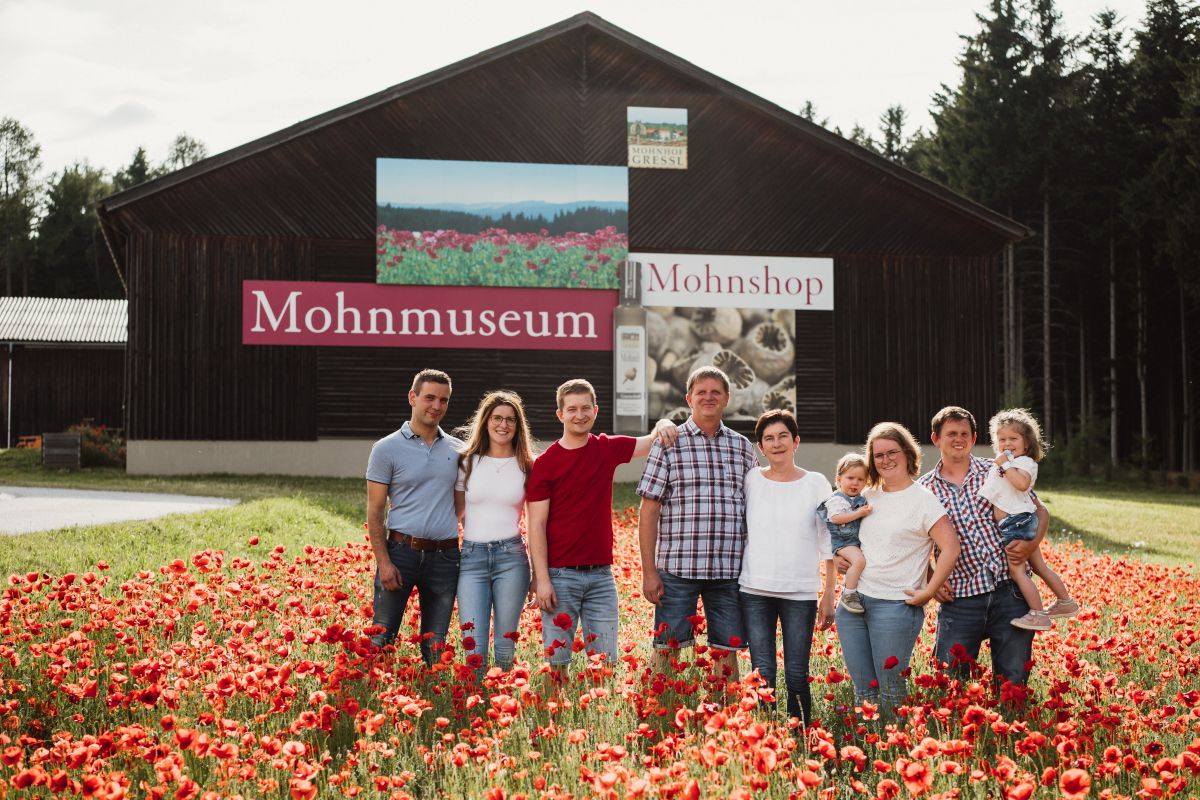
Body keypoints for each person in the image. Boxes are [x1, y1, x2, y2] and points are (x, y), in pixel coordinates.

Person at [527, 379, 676, 675]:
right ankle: (557, 715)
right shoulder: (546, 464)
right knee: (557, 663)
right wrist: (541, 579)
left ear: (595, 411)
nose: (579, 415)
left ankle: (596, 712)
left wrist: (664, 421)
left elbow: (652, 440)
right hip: (560, 575)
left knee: (605, 664)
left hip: (601, 578)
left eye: (585, 408)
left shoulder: (606, 448)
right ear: (560, 414)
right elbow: (536, 525)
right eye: (572, 409)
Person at [637, 366, 759, 680]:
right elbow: (648, 510)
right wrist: (649, 572)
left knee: (726, 649)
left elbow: (756, 507)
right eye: (701, 392)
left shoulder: (742, 448)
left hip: (728, 572)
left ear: (727, 399)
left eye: (715, 392)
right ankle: (659, 710)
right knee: (667, 647)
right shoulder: (668, 443)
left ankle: (728, 717)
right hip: (678, 569)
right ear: (689, 398)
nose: (708, 397)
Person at [917, 405, 1052, 686]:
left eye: (964, 433)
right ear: (936, 439)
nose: (958, 439)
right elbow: (912, 544)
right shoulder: (924, 489)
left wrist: (1032, 544)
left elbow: (1039, 511)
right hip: (960, 597)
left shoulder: (998, 470)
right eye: (951, 433)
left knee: (1013, 681)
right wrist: (931, 579)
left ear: (974, 437)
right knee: (950, 681)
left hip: (1009, 591)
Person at [834, 422, 959, 713]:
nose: (886, 460)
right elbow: (843, 533)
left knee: (891, 690)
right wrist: (842, 557)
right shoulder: (866, 497)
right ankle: (866, 750)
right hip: (853, 603)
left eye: (892, 452)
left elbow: (951, 547)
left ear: (908, 454)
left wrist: (929, 591)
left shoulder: (924, 500)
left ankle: (894, 753)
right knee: (863, 690)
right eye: (878, 455)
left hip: (895, 606)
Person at [739, 409, 836, 724]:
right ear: (761, 447)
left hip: (800, 592)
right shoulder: (751, 480)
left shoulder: (816, 483)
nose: (776, 443)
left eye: (783, 436)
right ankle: (765, 736)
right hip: (755, 589)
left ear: (796, 441)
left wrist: (828, 593)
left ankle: (800, 737)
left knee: (796, 673)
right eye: (769, 438)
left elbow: (829, 540)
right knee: (762, 671)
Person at [366, 369, 461, 664]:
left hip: (445, 558)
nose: (436, 406)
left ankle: (434, 704)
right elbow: (375, 510)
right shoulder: (386, 448)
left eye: (443, 400)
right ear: (413, 397)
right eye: (429, 397)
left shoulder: (458, 450)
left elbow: (461, 504)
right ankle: (370, 699)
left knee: (435, 646)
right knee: (381, 637)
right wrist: (384, 562)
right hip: (400, 554)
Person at [454, 390, 536, 679]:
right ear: (485, 421)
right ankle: (474, 706)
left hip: (512, 558)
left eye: (511, 419)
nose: (503, 425)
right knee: (473, 647)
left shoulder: (528, 466)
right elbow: (457, 514)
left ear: (518, 425)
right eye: (497, 418)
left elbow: (537, 521)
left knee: (505, 645)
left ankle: (504, 710)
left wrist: (538, 574)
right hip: (473, 558)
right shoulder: (466, 462)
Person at [981, 408, 1077, 631]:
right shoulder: (1009, 462)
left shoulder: (1024, 463)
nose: (1007, 443)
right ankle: (1066, 601)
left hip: (1016, 523)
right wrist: (1000, 464)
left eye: (1013, 438)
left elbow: (1022, 484)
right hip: (1017, 522)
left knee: (1017, 570)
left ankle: (1037, 614)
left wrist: (1004, 465)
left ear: (1027, 442)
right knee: (1039, 566)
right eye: (1001, 439)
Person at [817, 453, 873, 614]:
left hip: (853, 541)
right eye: (850, 478)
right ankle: (849, 593)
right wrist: (859, 513)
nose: (855, 483)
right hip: (843, 543)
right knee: (859, 561)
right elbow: (836, 518)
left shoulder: (860, 499)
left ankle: (851, 587)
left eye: (860, 480)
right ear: (839, 479)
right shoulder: (837, 499)